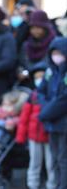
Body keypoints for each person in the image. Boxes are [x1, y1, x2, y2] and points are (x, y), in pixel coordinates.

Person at [16, 63, 57, 189]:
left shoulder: (52, 95)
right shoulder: (32, 96)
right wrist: (20, 137)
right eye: (37, 77)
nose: (39, 79)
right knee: (34, 163)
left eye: (42, 76)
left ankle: (52, 185)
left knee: (51, 164)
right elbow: (24, 119)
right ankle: (32, 185)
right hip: (34, 137)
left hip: (49, 136)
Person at [38, 37, 67, 189]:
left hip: (63, 123)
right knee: (54, 158)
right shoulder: (50, 71)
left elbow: (63, 99)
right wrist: (46, 107)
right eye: (54, 52)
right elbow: (41, 91)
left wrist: (46, 112)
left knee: (63, 159)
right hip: (52, 122)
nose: (56, 56)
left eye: (60, 53)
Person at [18, 10, 56, 85]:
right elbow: (21, 62)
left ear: (45, 28)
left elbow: (51, 63)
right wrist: (21, 71)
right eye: (32, 28)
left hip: (48, 83)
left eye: (38, 27)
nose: (35, 31)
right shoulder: (27, 44)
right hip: (27, 82)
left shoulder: (54, 43)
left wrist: (37, 71)